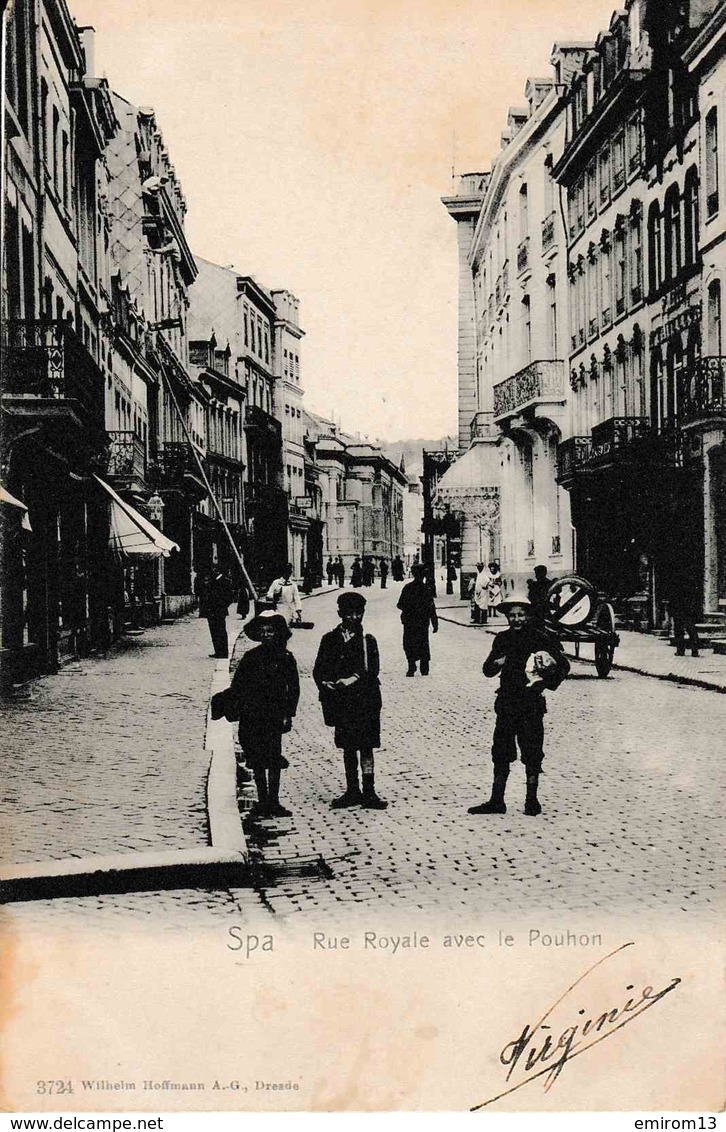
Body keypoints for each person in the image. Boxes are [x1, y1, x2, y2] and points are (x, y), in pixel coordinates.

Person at [468, 594, 569, 818]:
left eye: (521, 615)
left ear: (529, 615)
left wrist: (546, 680)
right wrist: (499, 662)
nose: (516, 619)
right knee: (501, 751)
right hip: (506, 703)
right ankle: (497, 800)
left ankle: (531, 800)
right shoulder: (502, 639)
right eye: (512, 615)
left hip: (531, 703)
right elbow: (487, 670)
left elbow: (563, 666)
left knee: (532, 751)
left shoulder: (541, 638)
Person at [313, 591, 387, 809]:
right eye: (349, 613)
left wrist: (351, 680)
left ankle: (369, 791)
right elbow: (319, 669)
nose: (354, 618)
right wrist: (324, 683)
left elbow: (372, 670)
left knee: (366, 746)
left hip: (366, 701)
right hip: (342, 703)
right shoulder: (329, 640)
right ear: (340, 614)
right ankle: (352, 790)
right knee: (347, 746)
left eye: (358, 613)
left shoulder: (367, 641)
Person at [227, 610, 299, 819]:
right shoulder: (251, 657)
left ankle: (274, 801)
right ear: (258, 634)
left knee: (274, 757)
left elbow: (293, 688)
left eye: (271, 631)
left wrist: (289, 713)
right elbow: (238, 685)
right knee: (257, 758)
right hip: (253, 714)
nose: (267, 635)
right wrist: (234, 706)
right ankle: (263, 800)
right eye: (263, 631)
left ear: (278, 633)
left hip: (274, 715)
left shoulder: (285, 658)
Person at [397, 563, 439, 676]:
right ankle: (424, 668)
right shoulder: (427, 589)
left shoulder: (407, 588)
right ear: (423, 575)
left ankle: (411, 667)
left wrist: (409, 609)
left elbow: (400, 604)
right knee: (423, 643)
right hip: (422, 622)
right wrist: (435, 623)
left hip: (410, 622)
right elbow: (432, 608)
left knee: (409, 643)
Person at [202, 566, 233, 658]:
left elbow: (230, 597)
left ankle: (223, 652)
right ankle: (218, 651)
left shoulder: (225, 581)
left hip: (219, 611)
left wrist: (222, 606)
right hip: (211, 611)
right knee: (214, 631)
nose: (213, 571)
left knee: (221, 631)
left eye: (215, 570)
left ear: (218, 571)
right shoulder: (212, 581)